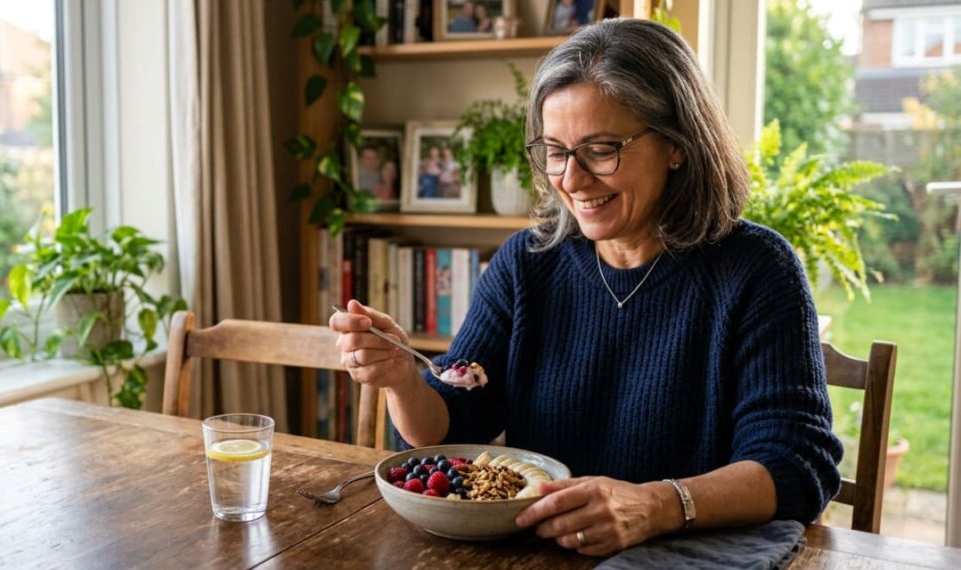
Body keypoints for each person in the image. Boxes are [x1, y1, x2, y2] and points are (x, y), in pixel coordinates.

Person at [330, 18, 842, 557]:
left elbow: (796, 465)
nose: (571, 180)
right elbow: (454, 424)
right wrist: (402, 380)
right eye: (555, 151)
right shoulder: (528, 263)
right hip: (547, 553)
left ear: (677, 145)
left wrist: (654, 506)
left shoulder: (757, 269)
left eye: (601, 149)